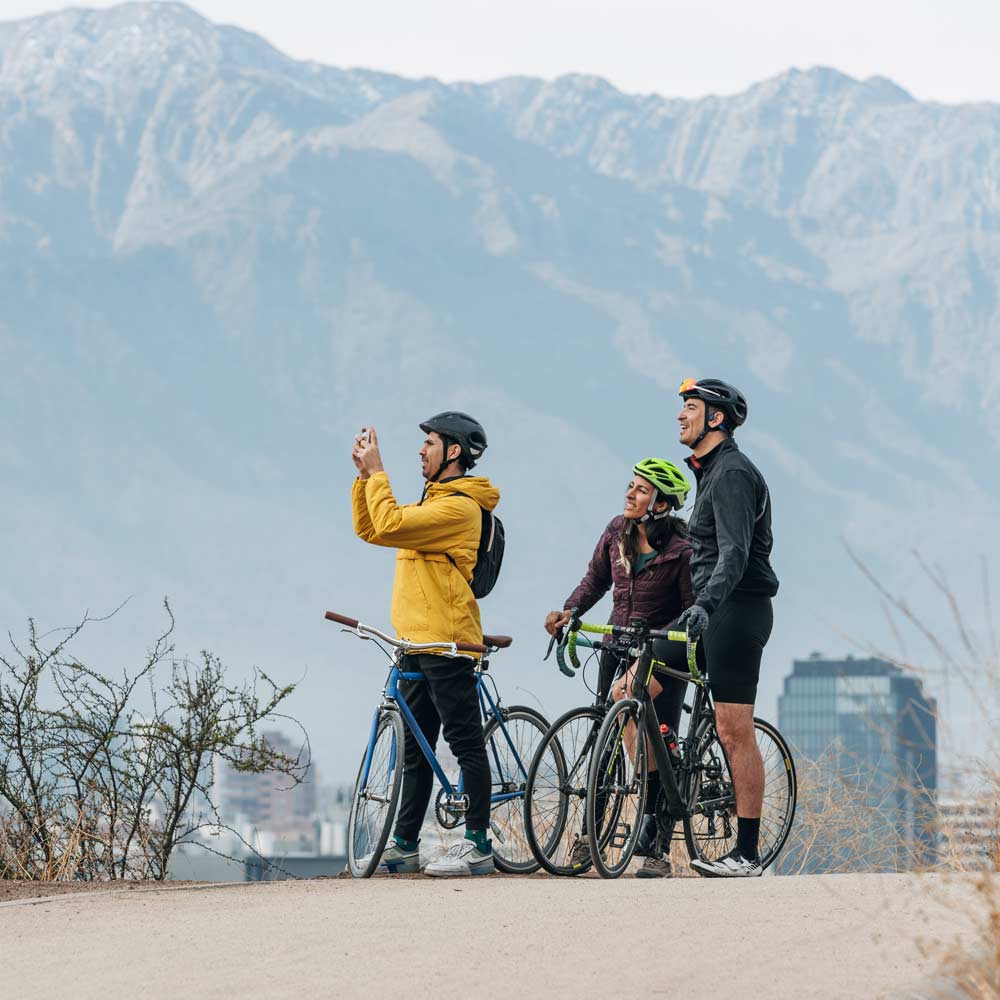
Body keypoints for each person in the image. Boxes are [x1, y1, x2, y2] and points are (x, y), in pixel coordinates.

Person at [352, 412, 500, 878]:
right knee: (415, 749)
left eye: (430, 443)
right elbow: (374, 529)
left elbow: (391, 523)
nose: (420, 450)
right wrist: (364, 480)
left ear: (453, 452)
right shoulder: (431, 501)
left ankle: (477, 843)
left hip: (448, 640)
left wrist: (379, 473)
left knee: (465, 742)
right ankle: (404, 843)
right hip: (415, 639)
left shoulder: (458, 508)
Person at [545, 458, 694, 877]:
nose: (630, 494)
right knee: (606, 739)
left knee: (659, 743)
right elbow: (595, 581)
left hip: (662, 652)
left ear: (661, 504)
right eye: (631, 486)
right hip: (616, 644)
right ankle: (590, 837)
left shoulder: (682, 551)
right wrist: (570, 610)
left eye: (642, 490)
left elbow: (690, 609)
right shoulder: (617, 531)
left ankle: (657, 846)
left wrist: (660, 647)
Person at [671, 378, 779, 877]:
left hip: (737, 610)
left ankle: (748, 854)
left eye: (690, 408)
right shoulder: (708, 472)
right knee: (635, 684)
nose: (680, 416)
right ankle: (658, 818)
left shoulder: (733, 473)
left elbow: (734, 553)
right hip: (710, 609)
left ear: (716, 419)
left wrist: (706, 604)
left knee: (733, 730)